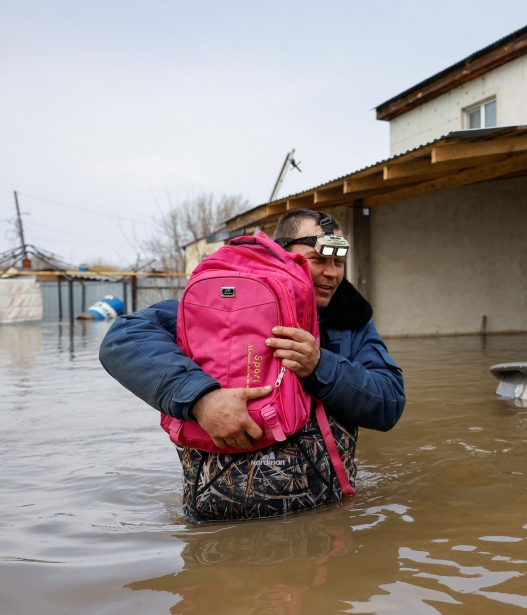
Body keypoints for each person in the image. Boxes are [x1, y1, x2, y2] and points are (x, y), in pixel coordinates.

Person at [100, 209, 405, 522]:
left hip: (326, 522)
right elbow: (120, 340)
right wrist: (201, 398)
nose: (332, 273)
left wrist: (320, 366)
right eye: (318, 259)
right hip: (213, 529)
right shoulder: (208, 308)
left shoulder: (351, 322)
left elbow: (390, 403)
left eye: (339, 262)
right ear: (279, 255)